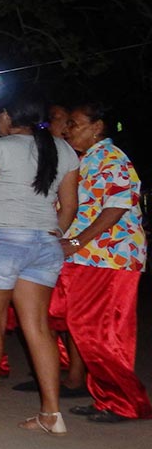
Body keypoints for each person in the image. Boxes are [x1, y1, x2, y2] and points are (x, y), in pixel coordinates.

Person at [0, 93, 78, 434]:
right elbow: (70, 206)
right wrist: (53, 233)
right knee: (39, 327)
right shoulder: (63, 149)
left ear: (5, 115)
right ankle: (51, 414)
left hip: (2, 239)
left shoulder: (0, 148)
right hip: (45, 242)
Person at [55, 102, 150, 423]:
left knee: (102, 332)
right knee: (85, 327)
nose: (68, 129)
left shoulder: (112, 158)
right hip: (91, 256)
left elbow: (117, 205)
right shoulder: (88, 159)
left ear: (97, 127)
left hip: (111, 256)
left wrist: (78, 241)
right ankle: (109, 398)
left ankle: (126, 401)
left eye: (75, 123)